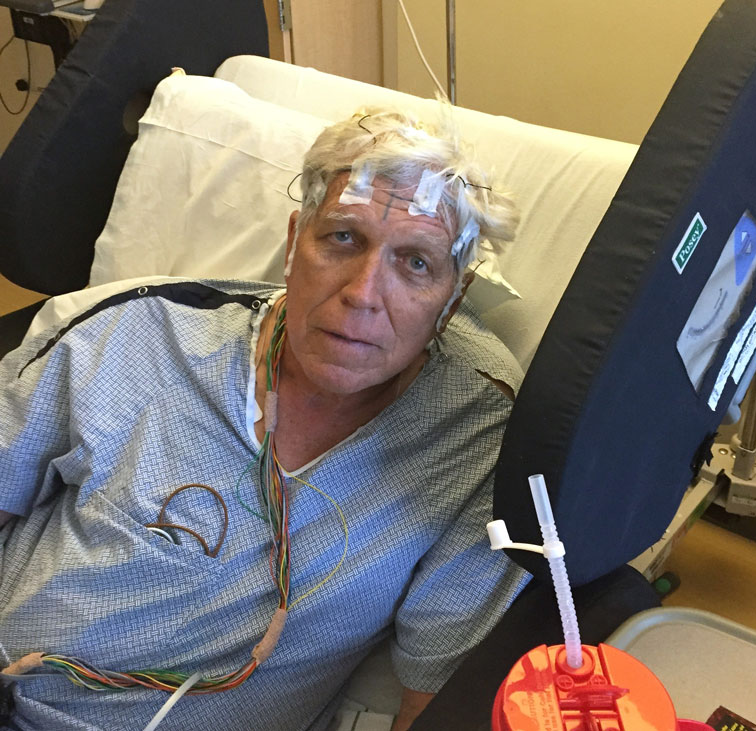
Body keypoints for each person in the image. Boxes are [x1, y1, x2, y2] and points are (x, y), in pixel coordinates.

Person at [0, 108, 526, 731]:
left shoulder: (474, 437)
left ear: (454, 297)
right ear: (293, 241)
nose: (362, 292)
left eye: (416, 263)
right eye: (343, 239)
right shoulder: (127, 335)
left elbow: (435, 699)